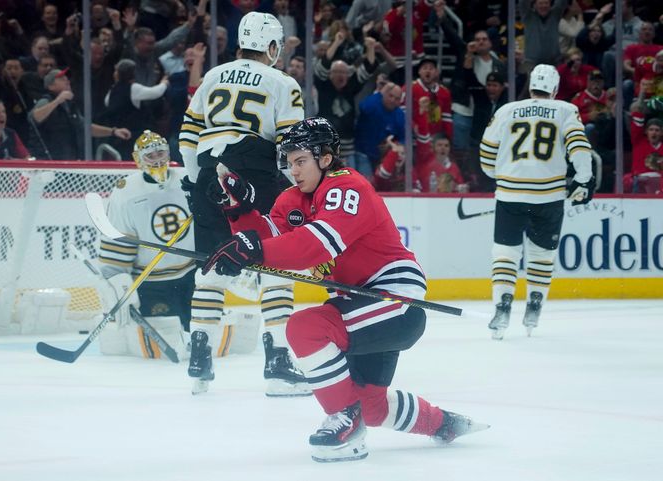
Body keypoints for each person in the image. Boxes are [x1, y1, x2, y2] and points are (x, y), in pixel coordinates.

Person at [200, 117, 488, 462]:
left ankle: (343, 418)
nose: (294, 170)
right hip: (358, 304)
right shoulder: (291, 200)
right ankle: (446, 424)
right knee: (373, 407)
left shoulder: (346, 186)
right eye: (290, 162)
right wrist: (240, 212)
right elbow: (270, 243)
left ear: (325, 158)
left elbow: (317, 246)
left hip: (393, 297)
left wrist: (252, 248)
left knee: (306, 329)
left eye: (301, 160)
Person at [178, 11, 308, 397]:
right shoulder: (283, 82)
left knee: (211, 269)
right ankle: (278, 364)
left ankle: (199, 363)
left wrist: (192, 182)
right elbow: (290, 147)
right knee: (276, 267)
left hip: (205, 171)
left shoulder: (212, 77)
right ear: (271, 46)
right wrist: (296, 190)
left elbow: (187, 136)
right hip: (254, 171)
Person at [479, 64, 595, 340]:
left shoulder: (506, 110)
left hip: (509, 194)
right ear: (554, 89)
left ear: (530, 85)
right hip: (549, 196)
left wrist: (502, 177)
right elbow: (579, 147)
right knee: (542, 255)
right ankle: (534, 305)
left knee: (505, 253)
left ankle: (503, 304)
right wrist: (584, 178)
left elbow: (486, 153)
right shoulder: (565, 110)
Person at [97, 131, 196, 358]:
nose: (158, 159)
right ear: (138, 159)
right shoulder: (125, 193)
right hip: (150, 282)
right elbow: (117, 247)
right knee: (154, 351)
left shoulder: (187, 180)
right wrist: (120, 286)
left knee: (203, 337)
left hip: (190, 276)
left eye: (161, 152)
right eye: (150, 155)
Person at [28, 68, 131, 160]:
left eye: (66, 78)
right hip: (47, 160)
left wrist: (113, 131)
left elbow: (85, 128)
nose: (66, 80)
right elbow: (34, 118)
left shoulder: (70, 106)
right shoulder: (46, 101)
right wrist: (57, 101)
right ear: (51, 86)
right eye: (61, 79)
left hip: (69, 158)